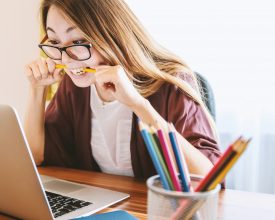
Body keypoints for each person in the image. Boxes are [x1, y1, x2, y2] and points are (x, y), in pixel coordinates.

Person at [24, 0, 221, 179]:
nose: (66, 60)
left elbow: (208, 178)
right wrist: (37, 90)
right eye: (55, 42)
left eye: (77, 42)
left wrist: (138, 105)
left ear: (111, 34)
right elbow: (35, 156)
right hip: (101, 208)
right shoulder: (75, 86)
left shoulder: (172, 83)